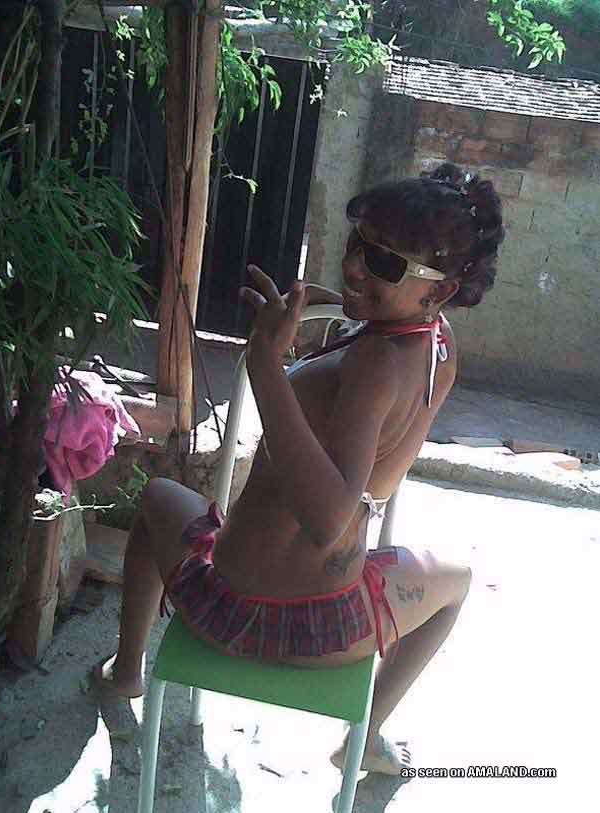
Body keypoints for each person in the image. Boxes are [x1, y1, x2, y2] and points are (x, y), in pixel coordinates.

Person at [95, 163, 504, 775]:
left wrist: (265, 360)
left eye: (384, 263)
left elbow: (326, 519)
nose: (356, 267)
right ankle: (366, 738)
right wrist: (344, 309)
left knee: (157, 496)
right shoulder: (435, 345)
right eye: (359, 244)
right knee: (458, 581)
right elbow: (364, 446)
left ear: (439, 290)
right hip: (334, 625)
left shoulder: (373, 365)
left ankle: (127, 671)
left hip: (236, 609)